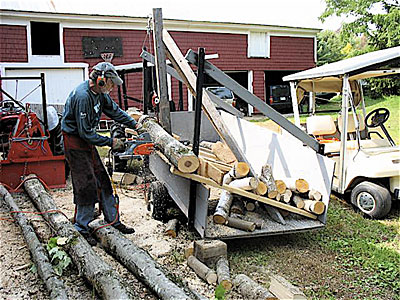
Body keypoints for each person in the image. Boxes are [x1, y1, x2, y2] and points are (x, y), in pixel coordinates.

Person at [61, 62, 137, 246]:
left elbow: (115, 111)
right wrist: (111, 141)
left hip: (87, 140)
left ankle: (113, 220)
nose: (113, 87)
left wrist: (135, 125)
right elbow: (85, 132)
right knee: (86, 184)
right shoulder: (83, 96)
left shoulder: (100, 95)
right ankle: (81, 227)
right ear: (101, 80)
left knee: (103, 179)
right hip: (75, 142)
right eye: (111, 83)